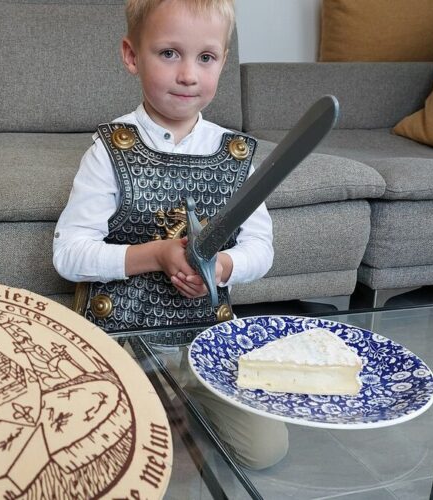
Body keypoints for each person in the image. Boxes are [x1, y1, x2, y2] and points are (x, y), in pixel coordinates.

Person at [53, 0, 288, 469]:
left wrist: (222, 267)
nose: (188, 75)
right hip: (123, 332)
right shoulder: (110, 148)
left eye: (206, 58)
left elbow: (262, 248)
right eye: (168, 53)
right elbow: (68, 254)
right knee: (103, 455)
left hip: (205, 336)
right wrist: (158, 254)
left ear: (223, 59)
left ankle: (180, 398)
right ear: (131, 55)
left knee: (266, 451)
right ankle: (153, 402)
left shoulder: (235, 154)